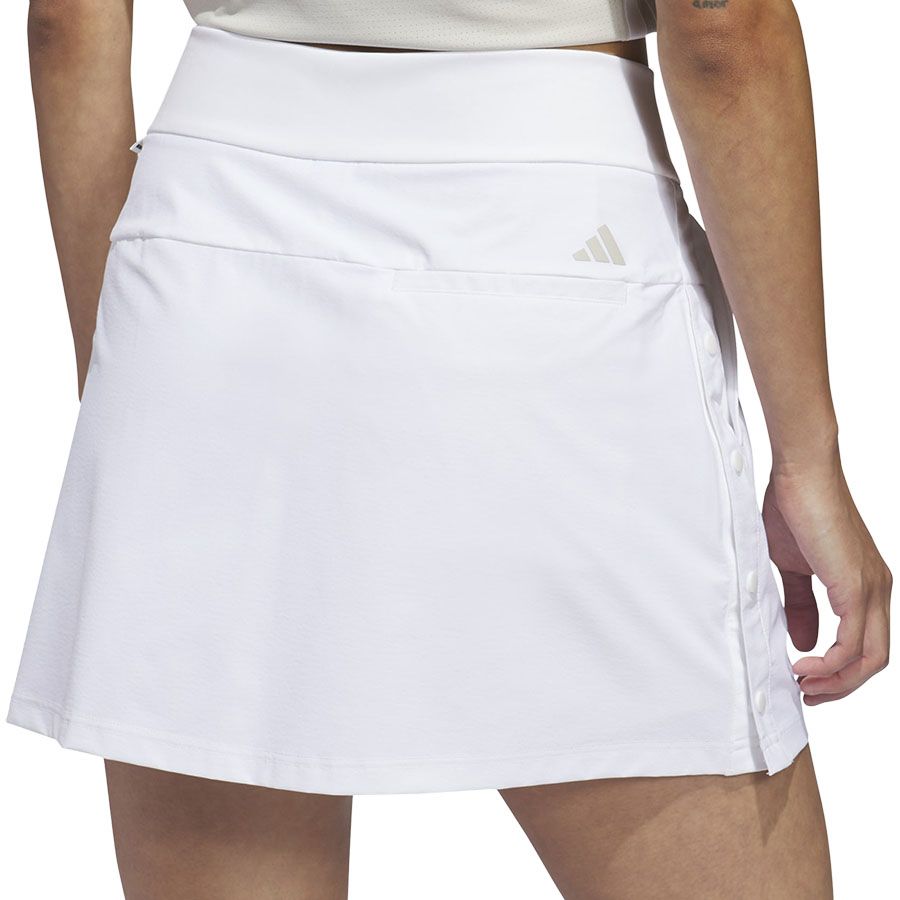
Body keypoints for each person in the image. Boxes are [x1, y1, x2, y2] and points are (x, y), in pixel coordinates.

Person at [8, 1, 890, 897]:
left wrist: (122, 373)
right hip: (556, 252)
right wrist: (808, 459)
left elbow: (67, 24)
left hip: (210, 245)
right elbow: (724, 27)